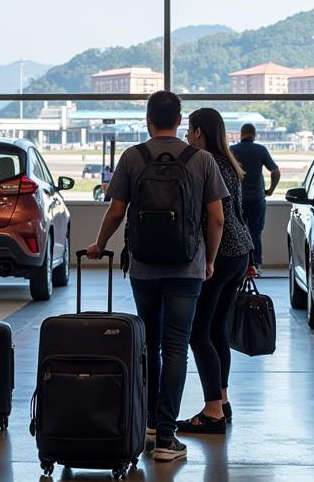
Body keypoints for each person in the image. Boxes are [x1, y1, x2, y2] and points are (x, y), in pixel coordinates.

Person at [87, 91, 227, 463]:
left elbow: (117, 210)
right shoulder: (201, 160)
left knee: (149, 344)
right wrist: (209, 259)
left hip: (144, 267)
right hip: (187, 267)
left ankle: (147, 423)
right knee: (177, 346)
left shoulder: (133, 157)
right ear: (180, 121)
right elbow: (216, 218)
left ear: (148, 120)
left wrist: (100, 243)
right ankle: (167, 438)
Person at [178, 109, 255, 435]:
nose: (186, 135)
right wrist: (251, 256)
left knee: (199, 332)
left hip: (221, 253)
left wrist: (208, 258)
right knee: (217, 328)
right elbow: (240, 212)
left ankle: (212, 413)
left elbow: (217, 219)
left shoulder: (206, 164)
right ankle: (222, 400)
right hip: (239, 251)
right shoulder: (230, 164)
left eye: (189, 130)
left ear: (199, 132)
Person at [231, 123, 280, 274]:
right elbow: (275, 171)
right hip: (257, 198)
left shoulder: (233, 150)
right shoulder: (261, 150)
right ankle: (256, 264)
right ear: (254, 134)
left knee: (237, 231)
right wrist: (270, 190)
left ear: (241, 134)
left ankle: (240, 264)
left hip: (238, 199)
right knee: (255, 231)